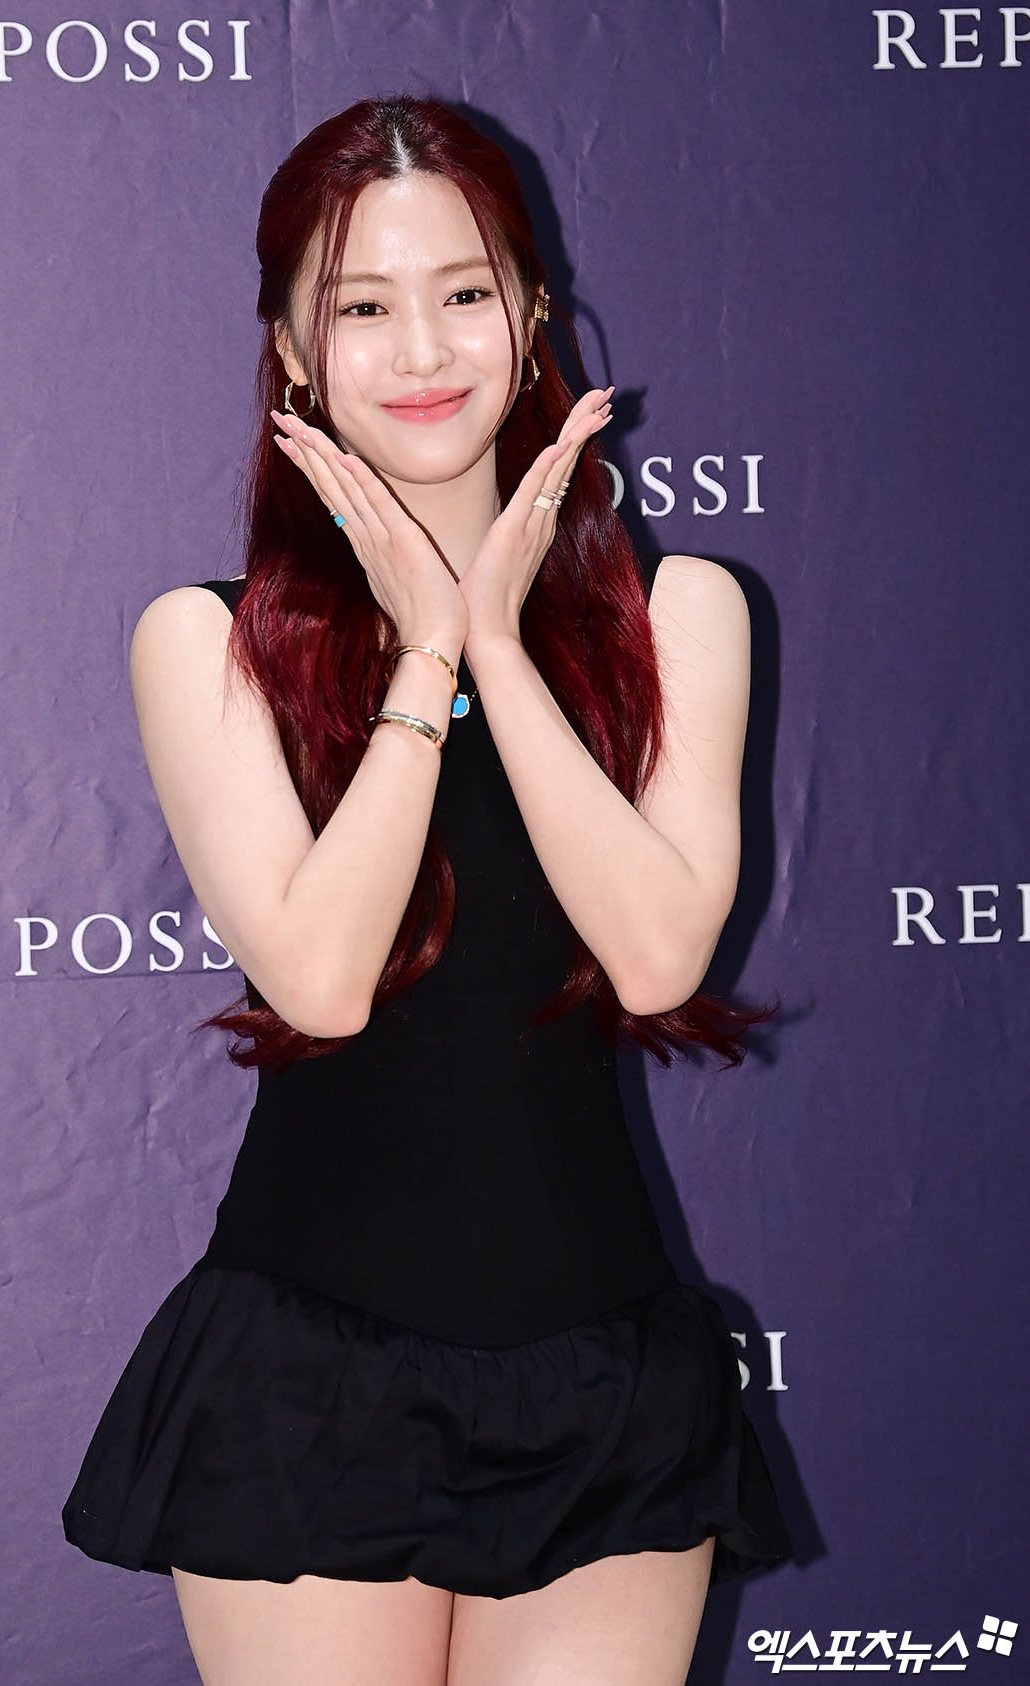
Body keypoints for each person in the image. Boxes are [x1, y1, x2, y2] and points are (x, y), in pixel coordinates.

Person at [62, 93, 794, 1685]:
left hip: (606, 1384)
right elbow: (320, 978)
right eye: (361, 307)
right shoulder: (206, 642)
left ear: (531, 318)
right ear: (291, 351)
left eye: (463, 291)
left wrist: (500, 648)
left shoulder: (686, 613)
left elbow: (659, 955)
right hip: (304, 1379)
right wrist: (420, 658)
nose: (420, 349)